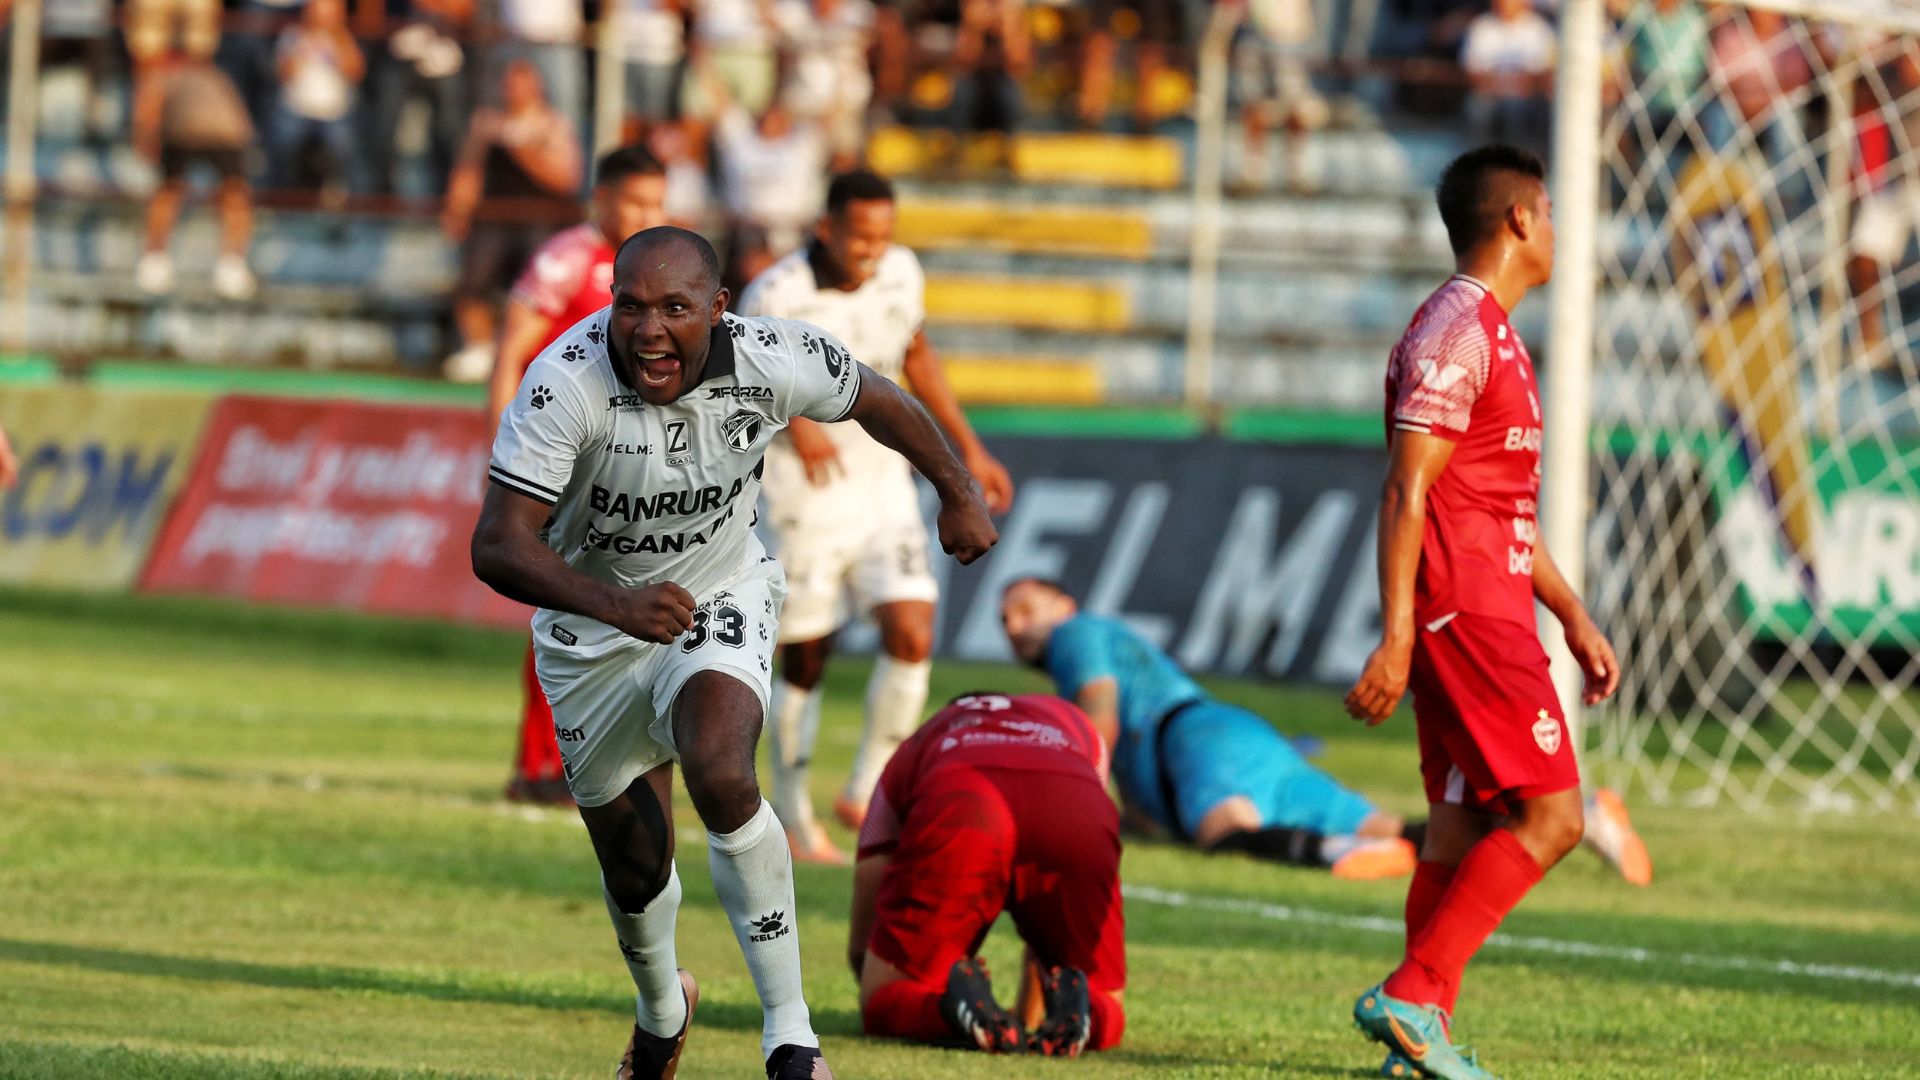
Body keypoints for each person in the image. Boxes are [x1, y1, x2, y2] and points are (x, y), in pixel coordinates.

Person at [469, 226, 998, 1080]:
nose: (648, 329)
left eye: (675, 308)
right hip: (591, 629)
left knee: (720, 765)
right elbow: (496, 546)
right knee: (635, 866)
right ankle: (661, 1009)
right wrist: (615, 602)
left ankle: (791, 1039)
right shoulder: (564, 383)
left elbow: (877, 396)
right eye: (630, 305)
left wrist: (958, 489)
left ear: (718, 311)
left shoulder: (773, 357)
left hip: (719, 594)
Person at [1344, 145, 1629, 1080]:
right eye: (1547, 212)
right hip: (1464, 612)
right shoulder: (1457, 331)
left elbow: (1494, 502)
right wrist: (1395, 635)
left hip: (1488, 599)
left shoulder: (1491, 333)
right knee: (1555, 818)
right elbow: (1405, 490)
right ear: (1517, 222)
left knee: (1461, 828)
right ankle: (1416, 994)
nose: (1554, 230)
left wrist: (1574, 615)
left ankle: (1413, 1045)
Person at [737, 170, 1015, 864]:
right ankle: (795, 815)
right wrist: (794, 421)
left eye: (883, 236)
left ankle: (866, 789)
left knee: (913, 628)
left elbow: (917, 355)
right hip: (804, 494)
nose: (872, 249)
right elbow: (737, 384)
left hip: (884, 488)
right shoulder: (777, 294)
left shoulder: (902, 274)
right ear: (825, 228)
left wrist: (968, 450)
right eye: (860, 235)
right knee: (805, 655)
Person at [999, 578, 1423, 880]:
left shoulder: (1073, 633)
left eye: (1026, 610)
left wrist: (1074, 806)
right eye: (1005, 621)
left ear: (1064, 606)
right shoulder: (1103, 644)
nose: (1015, 628)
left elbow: (1100, 716)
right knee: (1391, 827)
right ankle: (1471, 840)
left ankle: (1336, 851)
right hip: (1235, 733)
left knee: (1225, 833)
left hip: (1194, 741)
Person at [485, 145, 672, 806]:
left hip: (630, 469)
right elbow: (511, 351)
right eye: (635, 201)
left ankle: (596, 760)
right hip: (560, 462)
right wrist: (507, 450)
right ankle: (538, 765)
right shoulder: (568, 259)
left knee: (621, 616)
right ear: (604, 198)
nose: (648, 213)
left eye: (657, 201)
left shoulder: (658, 271)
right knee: (563, 609)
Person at [850, 691, 1126, 1056]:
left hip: (966, 800)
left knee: (887, 999)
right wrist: (1029, 1020)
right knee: (1105, 998)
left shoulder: (925, 738)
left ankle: (953, 1011)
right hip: (1073, 802)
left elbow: (873, 858)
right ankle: (1085, 1014)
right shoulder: (1079, 727)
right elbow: (1049, 915)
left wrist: (872, 968)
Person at [442, 59, 585, 383]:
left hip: (540, 220)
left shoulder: (553, 125)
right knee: (471, 282)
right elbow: (469, 170)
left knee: (537, 290)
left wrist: (525, 151)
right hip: (493, 217)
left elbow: (567, 178)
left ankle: (536, 351)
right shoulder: (487, 124)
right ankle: (479, 348)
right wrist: (457, 209)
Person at [131, 52, 258, 301]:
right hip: (223, 135)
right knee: (231, 194)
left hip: (199, 133)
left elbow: (149, 106)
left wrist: (144, 138)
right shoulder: (216, 75)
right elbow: (243, 120)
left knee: (171, 191)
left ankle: (155, 259)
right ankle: (231, 263)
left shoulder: (163, 72)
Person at [269, 0, 366, 193]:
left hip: (334, 112)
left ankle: (350, 199)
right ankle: (280, 195)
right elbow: (283, 74)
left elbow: (356, 73)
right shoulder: (293, 35)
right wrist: (303, 44)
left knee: (345, 147)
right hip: (296, 110)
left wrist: (338, 40)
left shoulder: (344, 39)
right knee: (282, 143)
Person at [1459, 0, 1555, 152]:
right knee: (1477, 107)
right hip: (1490, 94)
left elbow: (1539, 75)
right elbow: (1473, 72)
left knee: (1516, 109)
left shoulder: (1540, 29)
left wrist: (1505, 83)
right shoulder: (1482, 26)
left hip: (1526, 96)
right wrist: (1502, 85)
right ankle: (1480, 163)